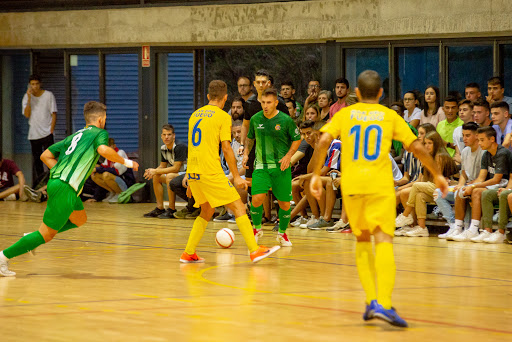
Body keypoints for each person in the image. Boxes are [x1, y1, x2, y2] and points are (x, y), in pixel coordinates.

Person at [309, 70, 448, 327]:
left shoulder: (344, 114)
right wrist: (438, 174)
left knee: (362, 240)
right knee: (383, 242)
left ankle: (371, 300)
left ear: (357, 94)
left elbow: (323, 140)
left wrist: (316, 174)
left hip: (352, 185)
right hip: (379, 186)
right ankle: (383, 303)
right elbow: (416, 146)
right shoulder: (389, 115)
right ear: (381, 94)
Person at [0, 101, 139, 277]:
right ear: (101, 120)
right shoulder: (99, 133)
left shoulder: (74, 136)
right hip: (65, 187)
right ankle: (4, 257)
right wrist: (128, 162)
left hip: (62, 185)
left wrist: (60, 172)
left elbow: (45, 155)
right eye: (105, 118)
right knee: (46, 235)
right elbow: (103, 150)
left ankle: (33, 237)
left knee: (80, 219)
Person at [180, 80, 280, 264]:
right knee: (239, 207)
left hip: (195, 171)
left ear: (209, 96)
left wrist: (189, 175)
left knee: (207, 210)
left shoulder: (194, 115)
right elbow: (226, 148)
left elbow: (193, 148)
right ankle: (254, 250)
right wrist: (236, 176)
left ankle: (188, 252)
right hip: (210, 171)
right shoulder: (222, 116)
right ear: (225, 98)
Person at [243, 88, 302, 247]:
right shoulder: (255, 119)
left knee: (284, 204)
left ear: (276, 102)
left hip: (281, 168)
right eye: (263, 102)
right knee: (257, 198)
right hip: (261, 166)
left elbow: (297, 139)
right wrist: (246, 153)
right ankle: (256, 229)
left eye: (269, 102)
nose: (265, 106)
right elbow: (250, 138)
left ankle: (282, 233)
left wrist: (289, 155)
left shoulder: (285, 120)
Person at [450, 126, 511, 242]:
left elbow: (496, 180)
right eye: (479, 140)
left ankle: (474, 228)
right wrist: (467, 186)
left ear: (492, 139)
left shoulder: (502, 153)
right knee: (464, 190)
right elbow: (481, 178)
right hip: (494, 186)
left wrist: (473, 186)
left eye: (482, 140)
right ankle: (481, 230)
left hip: (504, 185)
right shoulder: (487, 154)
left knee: (478, 191)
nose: (479, 143)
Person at [395, 131, 457, 237]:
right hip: (431, 187)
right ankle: (422, 227)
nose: (426, 146)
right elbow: (423, 179)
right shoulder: (428, 156)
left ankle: (406, 215)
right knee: (419, 195)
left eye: (430, 143)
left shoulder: (440, 156)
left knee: (416, 186)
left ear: (436, 143)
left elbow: (437, 181)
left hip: (441, 188)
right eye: (425, 143)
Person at [436, 122, 484, 239]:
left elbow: (483, 177)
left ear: (477, 136)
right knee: (438, 192)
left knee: (461, 192)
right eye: (463, 135)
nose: (464, 138)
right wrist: (460, 184)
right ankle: (454, 226)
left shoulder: (483, 152)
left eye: (468, 135)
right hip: (467, 184)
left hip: (479, 185)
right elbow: (463, 173)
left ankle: (467, 228)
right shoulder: (465, 151)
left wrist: (465, 186)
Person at [143, 124, 187, 219]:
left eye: (169, 134)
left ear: (174, 135)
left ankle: (171, 209)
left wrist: (156, 171)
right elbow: (162, 166)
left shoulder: (179, 147)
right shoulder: (164, 148)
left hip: (188, 173)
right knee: (157, 176)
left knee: (169, 176)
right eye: (164, 134)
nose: (166, 137)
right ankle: (160, 208)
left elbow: (176, 168)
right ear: (161, 136)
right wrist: (152, 171)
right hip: (178, 174)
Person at [22, 74, 58, 187]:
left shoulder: (48, 95)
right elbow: (27, 114)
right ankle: (41, 185)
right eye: (32, 84)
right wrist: (28, 98)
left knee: (50, 159)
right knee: (37, 161)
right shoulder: (26, 97)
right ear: (29, 85)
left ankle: (54, 182)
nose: (35, 86)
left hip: (47, 132)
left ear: (40, 84)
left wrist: (51, 129)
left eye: (37, 84)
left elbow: (54, 113)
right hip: (34, 134)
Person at [90, 138, 135, 203]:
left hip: (126, 183)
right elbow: (103, 167)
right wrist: (96, 168)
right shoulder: (108, 156)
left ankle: (119, 193)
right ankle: (113, 192)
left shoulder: (120, 153)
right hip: (118, 180)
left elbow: (116, 171)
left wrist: (97, 169)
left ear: (114, 146)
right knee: (95, 176)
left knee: (106, 175)